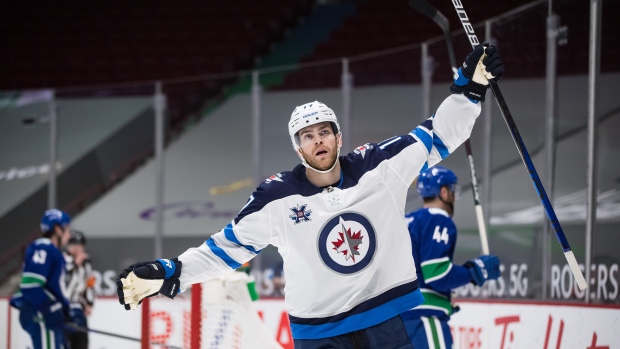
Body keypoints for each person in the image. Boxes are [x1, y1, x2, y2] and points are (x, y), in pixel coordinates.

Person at [117, 43, 504, 348]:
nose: (317, 140)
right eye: (307, 136)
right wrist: (173, 273)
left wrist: (469, 91)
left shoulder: (379, 167)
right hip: (319, 335)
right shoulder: (276, 197)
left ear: (338, 137)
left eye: (323, 131)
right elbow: (226, 249)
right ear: (298, 149)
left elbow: (437, 136)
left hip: (387, 318)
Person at [400, 166, 501, 349]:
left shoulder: (409, 219)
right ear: (443, 192)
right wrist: (475, 271)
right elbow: (436, 274)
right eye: (452, 191)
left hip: (399, 321)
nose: (454, 198)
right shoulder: (439, 220)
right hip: (424, 319)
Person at [10, 209, 80, 349]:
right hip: (40, 313)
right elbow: (31, 285)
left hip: (45, 313)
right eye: (67, 228)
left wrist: (66, 310)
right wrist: (50, 308)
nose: (69, 234)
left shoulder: (54, 251)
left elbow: (54, 288)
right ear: (57, 229)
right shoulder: (43, 247)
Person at [64, 230, 96, 349]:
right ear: (69, 246)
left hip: (79, 309)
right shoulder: (62, 260)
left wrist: (89, 303)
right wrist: (74, 263)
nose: (78, 249)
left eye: (80, 246)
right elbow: (62, 281)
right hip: (64, 308)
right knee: (65, 342)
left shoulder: (86, 263)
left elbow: (90, 283)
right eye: (75, 245)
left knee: (82, 343)